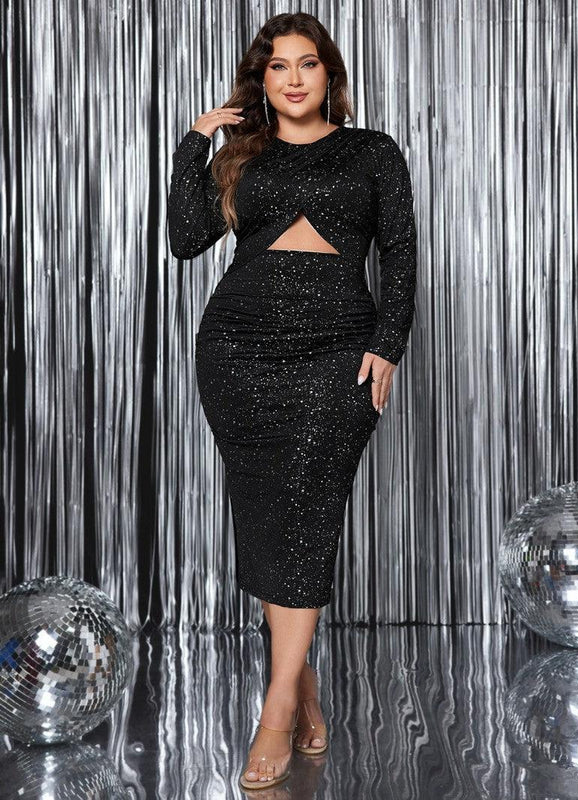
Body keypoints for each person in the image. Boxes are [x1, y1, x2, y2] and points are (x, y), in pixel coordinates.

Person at [167, 11, 417, 790]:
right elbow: (185, 238)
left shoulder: (373, 151)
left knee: (308, 513)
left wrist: (388, 344)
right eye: (278, 66)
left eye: (308, 63)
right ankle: (302, 686)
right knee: (268, 518)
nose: (295, 78)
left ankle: (274, 710)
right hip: (237, 353)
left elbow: (401, 252)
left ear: (328, 73)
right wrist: (194, 143)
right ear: (262, 80)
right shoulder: (243, 153)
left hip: (338, 352)